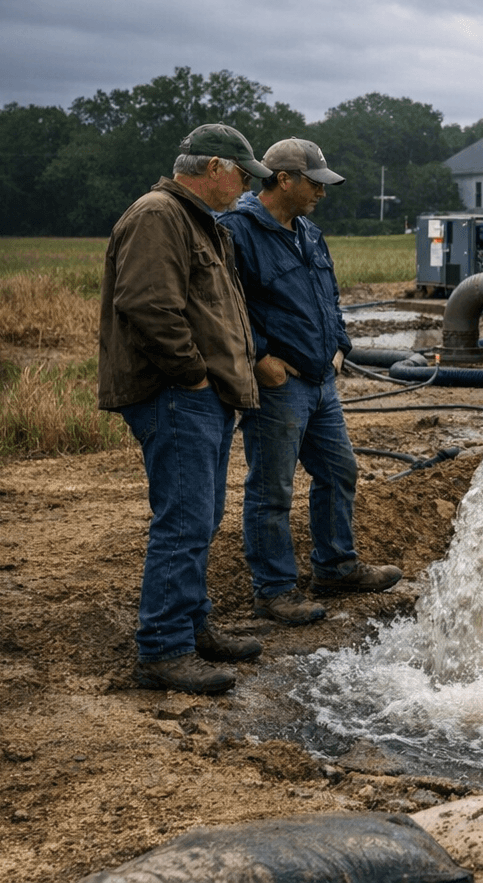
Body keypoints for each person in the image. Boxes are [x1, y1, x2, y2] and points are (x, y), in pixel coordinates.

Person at [99, 124, 271, 695]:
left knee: (202, 517)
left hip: (204, 397)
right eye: (243, 176)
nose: (246, 187)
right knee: (184, 522)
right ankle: (164, 649)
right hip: (179, 395)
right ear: (215, 167)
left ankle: (193, 627)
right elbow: (148, 306)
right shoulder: (159, 215)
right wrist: (194, 376)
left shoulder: (202, 223)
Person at [219, 138, 402, 627]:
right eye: (315, 183)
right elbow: (222, 303)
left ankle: (336, 567)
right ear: (284, 180)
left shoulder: (309, 233)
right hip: (280, 385)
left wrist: (340, 345)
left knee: (339, 471)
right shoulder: (236, 232)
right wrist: (261, 358)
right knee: (272, 490)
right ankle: (274, 591)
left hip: (321, 381)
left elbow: (330, 294)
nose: (322, 192)